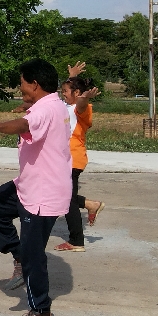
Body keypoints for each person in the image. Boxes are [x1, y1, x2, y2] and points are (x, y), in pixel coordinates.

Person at [0, 58, 71, 316]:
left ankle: (42, 313)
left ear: (35, 84)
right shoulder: (54, 104)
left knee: (34, 256)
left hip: (42, 193)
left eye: (22, 83)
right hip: (27, 186)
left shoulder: (45, 110)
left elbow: (25, 124)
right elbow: (31, 117)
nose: (20, 88)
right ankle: (18, 256)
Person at [55, 66, 104, 252]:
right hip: (64, 160)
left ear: (76, 93)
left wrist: (84, 97)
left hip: (73, 160)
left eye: (65, 91)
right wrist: (72, 77)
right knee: (62, 195)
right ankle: (91, 204)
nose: (63, 94)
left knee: (68, 201)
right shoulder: (67, 106)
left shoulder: (82, 108)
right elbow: (64, 99)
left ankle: (76, 241)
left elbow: (81, 105)